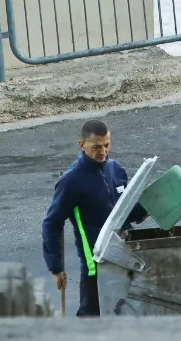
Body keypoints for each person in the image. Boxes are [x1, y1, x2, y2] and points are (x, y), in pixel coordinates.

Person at [40, 119, 147, 317]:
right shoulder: (71, 181)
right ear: (82, 145)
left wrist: (152, 203)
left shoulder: (116, 170)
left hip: (126, 255)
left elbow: (129, 212)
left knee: (126, 311)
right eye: (97, 146)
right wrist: (55, 268)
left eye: (107, 145)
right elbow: (51, 224)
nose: (103, 151)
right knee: (91, 316)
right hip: (96, 263)